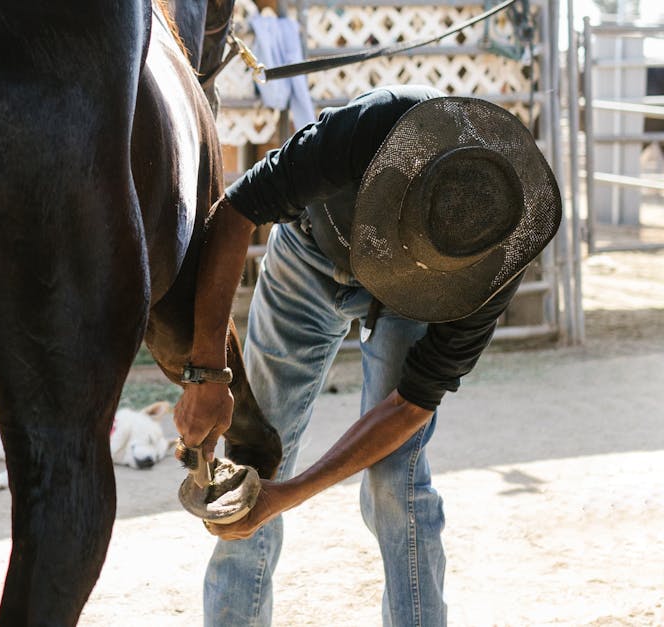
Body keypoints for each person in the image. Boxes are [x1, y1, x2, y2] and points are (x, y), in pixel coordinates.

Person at [173, 85, 562, 626]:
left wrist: (286, 497)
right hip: (311, 254)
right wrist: (206, 371)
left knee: (394, 478)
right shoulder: (367, 130)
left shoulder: (494, 252)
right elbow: (237, 210)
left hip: (424, 297)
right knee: (252, 457)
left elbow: (411, 406)